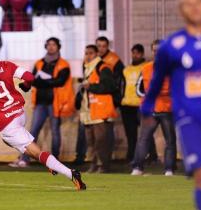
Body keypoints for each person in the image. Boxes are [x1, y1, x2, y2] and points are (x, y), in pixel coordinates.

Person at [141, 0, 201, 210]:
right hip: (190, 120)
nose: (194, 7)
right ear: (181, 11)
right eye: (188, 4)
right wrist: (147, 105)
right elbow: (156, 80)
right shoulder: (171, 46)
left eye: (198, 2)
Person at [0, 40, 86, 190]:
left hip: (7, 123)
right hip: (19, 114)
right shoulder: (5, 65)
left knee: (34, 150)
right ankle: (49, 162)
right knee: (10, 141)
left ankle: (70, 173)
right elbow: (29, 77)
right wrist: (25, 87)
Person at [9, 37, 75, 167]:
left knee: (55, 131)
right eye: (49, 44)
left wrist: (41, 82)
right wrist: (40, 82)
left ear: (58, 47)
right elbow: (32, 79)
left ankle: (54, 162)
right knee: (32, 131)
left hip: (55, 102)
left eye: (53, 45)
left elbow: (60, 82)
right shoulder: (39, 63)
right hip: (40, 102)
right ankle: (24, 159)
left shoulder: (64, 64)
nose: (51, 47)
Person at [131, 39, 176, 176]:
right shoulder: (146, 68)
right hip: (150, 109)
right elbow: (138, 90)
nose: (157, 53)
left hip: (167, 109)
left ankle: (169, 169)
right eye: (155, 50)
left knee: (170, 140)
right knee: (143, 139)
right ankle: (137, 167)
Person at [79, 45, 117, 173]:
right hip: (89, 111)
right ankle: (94, 164)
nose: (88, 56)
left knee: (101, 141)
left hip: (100, 110)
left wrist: (91, 86)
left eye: (90, 53)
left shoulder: (103, 67)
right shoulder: (87, 68)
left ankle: (103, 166)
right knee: (91, 141)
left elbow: (110, 87)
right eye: (86, 53)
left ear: (96, 54)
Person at [120, 44, 147, 162]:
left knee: (146, 133)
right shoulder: (126, 69)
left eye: (137, 53)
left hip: (141, 104)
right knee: (131, 134)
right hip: (127, 105)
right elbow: (121, 85)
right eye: (133, 53)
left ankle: (151, 156)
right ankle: (131, 155)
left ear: (142, 54)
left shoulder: (146, 67)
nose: (135, 55)